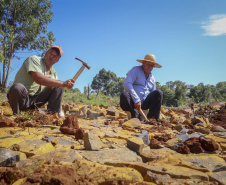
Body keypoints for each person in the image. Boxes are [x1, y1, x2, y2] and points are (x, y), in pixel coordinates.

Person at [7, 45, 75, 115]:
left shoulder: (54, 74)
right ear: (46, 52)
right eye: (50, 53)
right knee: (17, 87)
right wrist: (63, 83)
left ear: (57, 60)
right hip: (21, 98)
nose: (51, 56)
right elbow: (38, 79)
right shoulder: (34, 59)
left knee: (58, 85)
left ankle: (53, 116)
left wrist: (61, 114)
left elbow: (57, 93)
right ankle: (16, 115)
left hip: (35, 102)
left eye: (55, 56)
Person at [120, 54, 163, 121]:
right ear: (143, 63)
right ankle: (134, 114)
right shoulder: (135, 70)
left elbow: (153, 93)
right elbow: (127, 84)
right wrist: (136, 100)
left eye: (152, 65)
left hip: (145, 104)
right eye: (148, 64)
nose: (149, 67)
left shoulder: (152, 78)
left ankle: (153, 119)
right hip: (133, 102)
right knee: (124, 95)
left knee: (158, 93)